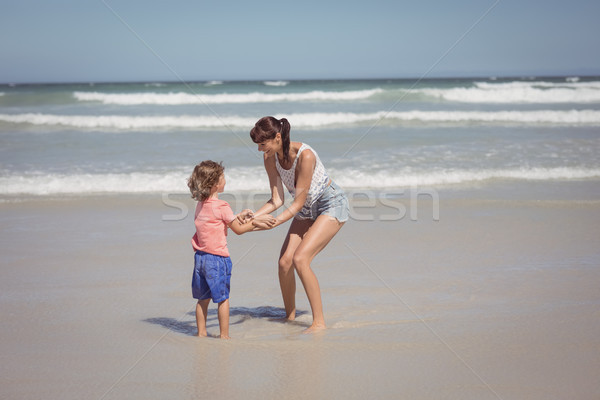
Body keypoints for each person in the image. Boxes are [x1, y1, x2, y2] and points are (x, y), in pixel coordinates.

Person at [241, 116, 349, 333]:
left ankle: (319, 323)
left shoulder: (305, 156)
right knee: (284, 263)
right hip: (306, 210)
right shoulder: (269, 158)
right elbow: (277, 199)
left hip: (330, 204)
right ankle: (289, 316)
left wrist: (274, 222)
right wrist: (252, 217)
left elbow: (298, 201)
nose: (261, 149)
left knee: (300, 259)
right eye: (258, 145)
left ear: (278, 137)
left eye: (263, 144)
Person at [187, 160, 275, 339]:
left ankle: (201, 334)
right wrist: (255, 222)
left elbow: (218, 222)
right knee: (223, 299)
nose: (225, 180)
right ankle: (224, 336)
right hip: (217, 260)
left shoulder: (200, 205)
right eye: (223, 177)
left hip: (200, 259)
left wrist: (238, 216)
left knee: (202, 300)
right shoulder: (222, 206)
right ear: (214, 184)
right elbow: (239, 230)